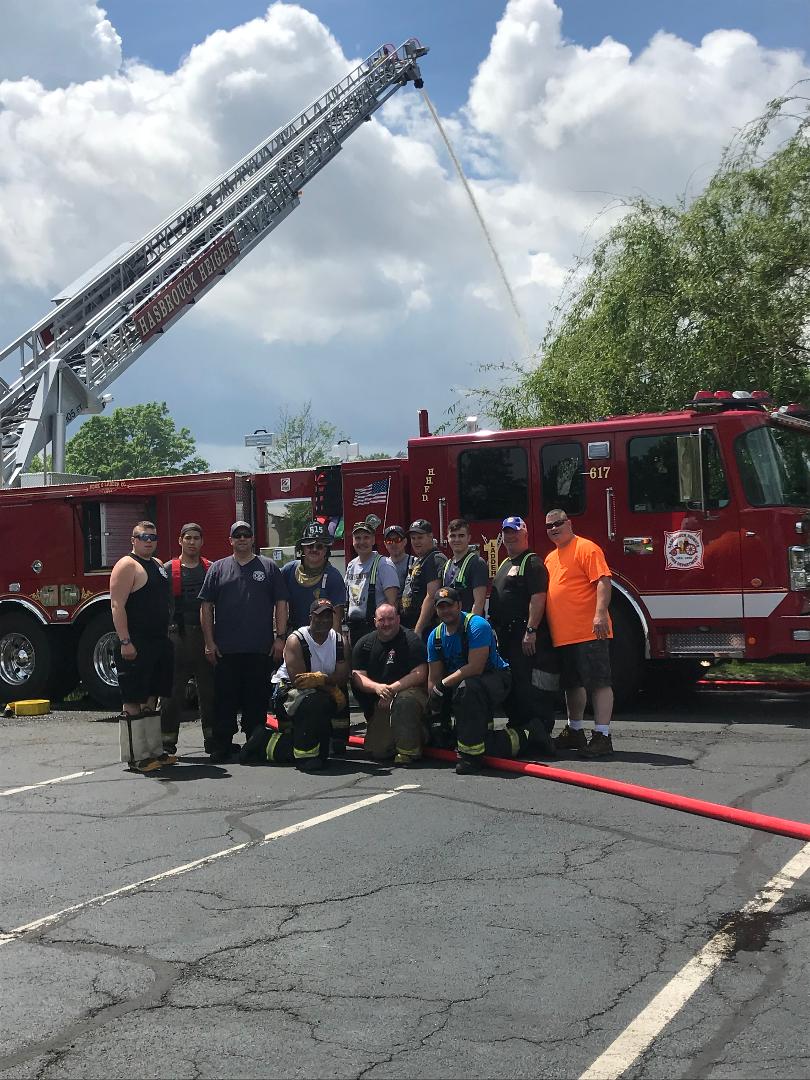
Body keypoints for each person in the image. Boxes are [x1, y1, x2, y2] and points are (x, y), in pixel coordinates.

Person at [199, 520, 289, 763]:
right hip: (225, 650)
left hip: (260, 649)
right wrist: (209, 642)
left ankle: (254, 745)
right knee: (224, 701)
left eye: (246, 535)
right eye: (237, 535)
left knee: (256, 701)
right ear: (230, 540)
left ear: (252, 539)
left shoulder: (269, 567)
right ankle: (222, 745)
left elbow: (281, 603)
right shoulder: (217, 568)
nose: (242, 539)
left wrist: (280, 638)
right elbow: (206, 606)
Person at [241, 598, 349, 771]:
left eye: (328, 616)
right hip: (288, 691)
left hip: (322, 691)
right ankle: (306, 756)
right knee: (315, 701)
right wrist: (330, 686)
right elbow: (299, 680)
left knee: (324, 748)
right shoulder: (296, 640)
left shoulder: (340, 642)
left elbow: (343, 676)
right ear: (310, 618)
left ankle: (264, 741)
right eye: (319, 616)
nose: (324, 620)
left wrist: (322, 680)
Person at [426, 586, 522, 776]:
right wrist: (435, 712)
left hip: (495, 679)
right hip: (462, 684)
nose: (446, 611)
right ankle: (521, 736)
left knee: (467, 688)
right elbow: (434, 679)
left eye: (449, 606)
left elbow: (475, 667)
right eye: (441, 607)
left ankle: (471, 757)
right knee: (455, 696)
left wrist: (442, 686)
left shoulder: (477, 625)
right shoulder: (435, 637)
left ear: (459, 605)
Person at [544, 510, 615, 758]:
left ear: (569, 523)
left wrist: (600, 614)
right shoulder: (551, 557)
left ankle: (603, 736)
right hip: (564, 636)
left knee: (599, 683)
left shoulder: (586, 548)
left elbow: (603, 581)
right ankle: (575, 730)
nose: (553, 528)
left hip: (589, 631)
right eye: (549, 526)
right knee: (572, 685)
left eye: (558, 523)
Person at [488, 516, 557, 757]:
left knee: (529, 687)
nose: (510, 536)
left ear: (525, 534)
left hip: (523, 636)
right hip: (506, 637)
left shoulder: (532, 562)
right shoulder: (505, 563)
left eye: (514, 532)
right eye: (506, 532)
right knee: (514, 685)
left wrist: (531, 631)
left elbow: (538, 598)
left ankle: (539, 734)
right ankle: (521, 731)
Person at [109, 520, 175, 773]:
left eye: (153, 537)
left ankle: (154, 751)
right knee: (133, 698)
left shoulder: (157, 564)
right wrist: (125, 641)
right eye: (143, 537)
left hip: (158, 642)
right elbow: (117, 605)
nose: (149, 541)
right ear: (133, 540)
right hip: (135, 643)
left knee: (152, 696)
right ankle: (137, 756)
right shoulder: (127, 565)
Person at [160, 522, 215, 757]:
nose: (192, 542)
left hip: (204, 637)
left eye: (196, 538)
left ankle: (213, 741)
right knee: (172, 693)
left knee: (209, 691)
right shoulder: (166, 570)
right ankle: (166, 743)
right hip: (176, 637)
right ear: (180, 540)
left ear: (202, 542)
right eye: (188, 538)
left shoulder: (211, 569)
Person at [351, 603, 429, 765]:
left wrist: (391, 690)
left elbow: (420, 674)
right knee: (377, 751)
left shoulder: (411, 640)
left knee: (404, 701)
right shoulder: (365, 644)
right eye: (382, 620)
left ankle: (410, 751)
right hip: (382, 699)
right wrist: (377, 688)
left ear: (398, 619)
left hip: (409, 694)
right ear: (375, 622)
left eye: (391, 619)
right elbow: (357, 676)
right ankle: (399, 737)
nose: (386, 623)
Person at [281, 520, 345, 631]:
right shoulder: (288, 571)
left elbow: (336, 620)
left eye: (319, 546)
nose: (314, 549)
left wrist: (335, 640)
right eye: (310, 546)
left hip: (322, 636)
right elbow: (279, 605)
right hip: (293, 635)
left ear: (326, 550)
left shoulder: (334, 577)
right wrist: (281, 635)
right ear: (302, 548)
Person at [345, 521, 399, 647]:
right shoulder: (351, 566)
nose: (362, 542)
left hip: (376, 630)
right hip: (354, 629)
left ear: (373, 540)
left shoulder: (384, 564)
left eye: (366, 537)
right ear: (352, 541)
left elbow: (393, 603)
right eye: (357, 538)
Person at [400, 519, 445, 639]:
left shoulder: (435, 559)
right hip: (411, 625)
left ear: (430, 536)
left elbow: (431, 596)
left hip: (427, 629)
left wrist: (418, 630)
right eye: (413, 538)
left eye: (420, 537)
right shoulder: (421, 559)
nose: (416, 542)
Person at [441, 518, 488, 616]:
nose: (457, 540)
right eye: (453, 536)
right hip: (450, 622)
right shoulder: (447, 565)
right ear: (447, 538)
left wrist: (471, 624)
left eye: (461, 536)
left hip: (468, 622)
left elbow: (479, 602)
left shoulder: (477, 563)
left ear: (469, 538)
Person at [382, 524, 414, 597]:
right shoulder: (382, 566)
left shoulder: (415, 563)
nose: (393, 544)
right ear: (385, 544)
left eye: (397, 540)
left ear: (405, 541)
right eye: (389, 541)